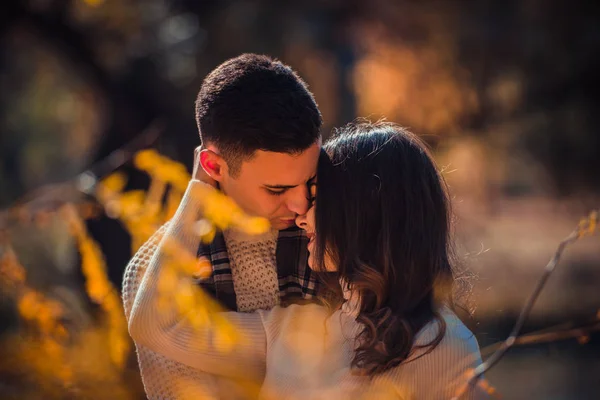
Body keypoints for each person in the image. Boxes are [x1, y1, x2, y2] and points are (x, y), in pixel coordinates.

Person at [128, 121, 485, 399]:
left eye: (315, 199)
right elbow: (154, 325)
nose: (300, 216)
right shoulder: (295, 330)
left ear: (362, 214)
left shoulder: (442, 346)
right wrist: (201, 190)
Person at [122, 53, 323, 399]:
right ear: (213, 167)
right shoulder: (153, 276)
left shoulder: (335, 228)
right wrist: (198, 196)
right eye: (277, 189)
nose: (301, 204)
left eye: (311, 180)